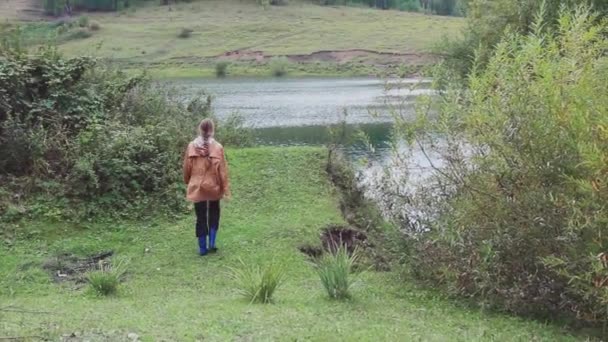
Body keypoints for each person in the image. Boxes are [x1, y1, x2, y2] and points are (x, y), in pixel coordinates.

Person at [183, 119, 230, 256]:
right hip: (214, 186)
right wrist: (225, 189)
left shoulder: (191, 146)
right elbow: (223, 171)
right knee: (214, 213)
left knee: (200, 216)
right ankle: (212, 244)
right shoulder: (218, 147)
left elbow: (187, 168)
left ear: (199, 129)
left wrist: (188, 182)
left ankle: (202, 248)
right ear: (212, 130)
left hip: (197, 186)